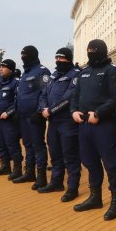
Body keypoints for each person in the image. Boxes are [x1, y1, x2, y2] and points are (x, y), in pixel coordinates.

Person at [71, 39, 116, 220]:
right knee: (90, 162)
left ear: (101, 51)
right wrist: (74, 111)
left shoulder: (112, 72)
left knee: (111, 164)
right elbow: (75, 96)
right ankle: (95, 198)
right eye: (89, 50)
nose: (91, 53)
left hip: (105, 125)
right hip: (85, 125)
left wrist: (99, 113)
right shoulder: (83, 73)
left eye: (94, 50)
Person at [38, 48, 81, 201]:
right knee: (55, 153)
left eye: (61, 58)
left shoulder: (75, 74)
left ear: (68, 59)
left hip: (67, 122)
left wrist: (51, 110)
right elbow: (43, 95)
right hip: (53, 122)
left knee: (70, 155)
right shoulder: (53, 76)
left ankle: (72, 187)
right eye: (56, 58)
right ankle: (56, 182)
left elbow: (69, 97)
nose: (58, 61)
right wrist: (43, 108)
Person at [12, 46, 52, 189]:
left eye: (26, 55)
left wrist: (39, 111)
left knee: (37, 145)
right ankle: (30, 172)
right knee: (27, 145)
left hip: (35, 117)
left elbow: (45, 92)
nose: (23, 57)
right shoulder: (25, 73)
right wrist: (17, 111)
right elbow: (20, 95)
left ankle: (41, 177)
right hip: (23, 116)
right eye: (22, 54)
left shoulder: (42, 71)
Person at [0, 59, 23, 179]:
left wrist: (8, 112)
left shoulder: (16, 82)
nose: (1, 69)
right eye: (0, 66)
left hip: (9, 120)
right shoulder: (0, 82)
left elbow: (17, 101)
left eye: (4, 67)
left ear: (11, 69)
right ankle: (5, 166)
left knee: (12, 144)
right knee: (1, 144)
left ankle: (17, 168)